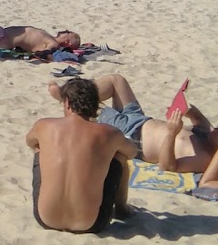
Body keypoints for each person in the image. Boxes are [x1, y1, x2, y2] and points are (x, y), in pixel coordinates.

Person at [53, 73, 218, 175]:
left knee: (94, 110)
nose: (216, 129)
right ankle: (70, 98)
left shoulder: (204, 158)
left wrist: (172, 134)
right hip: (140, 118)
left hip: (129, 134)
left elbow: (168, 166)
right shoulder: (207, 135)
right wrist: (187, 107)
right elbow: (199, 121)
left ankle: (68, 100)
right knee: (116, 80)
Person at [25, 77, 138, 233]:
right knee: (120, 155)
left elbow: (30, 142)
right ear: (95, 105)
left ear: (67, 103)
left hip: (45, 219)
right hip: (92, 223)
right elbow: (132, 152)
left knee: (40, 147)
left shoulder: (44, 125)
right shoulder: (109, 133)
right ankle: (121, 208)